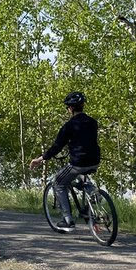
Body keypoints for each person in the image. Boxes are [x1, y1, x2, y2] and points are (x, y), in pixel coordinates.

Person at [30, 91, 101, 231]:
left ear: (70, 108)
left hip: (78, 163)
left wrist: (40, 159)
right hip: (95, 161)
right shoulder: (93, 122)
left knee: (58, 182)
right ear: (82, 106)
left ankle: (68, 220)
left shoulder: (69, 126)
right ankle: (93, 194)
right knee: (81, 179)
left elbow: (56, 147)